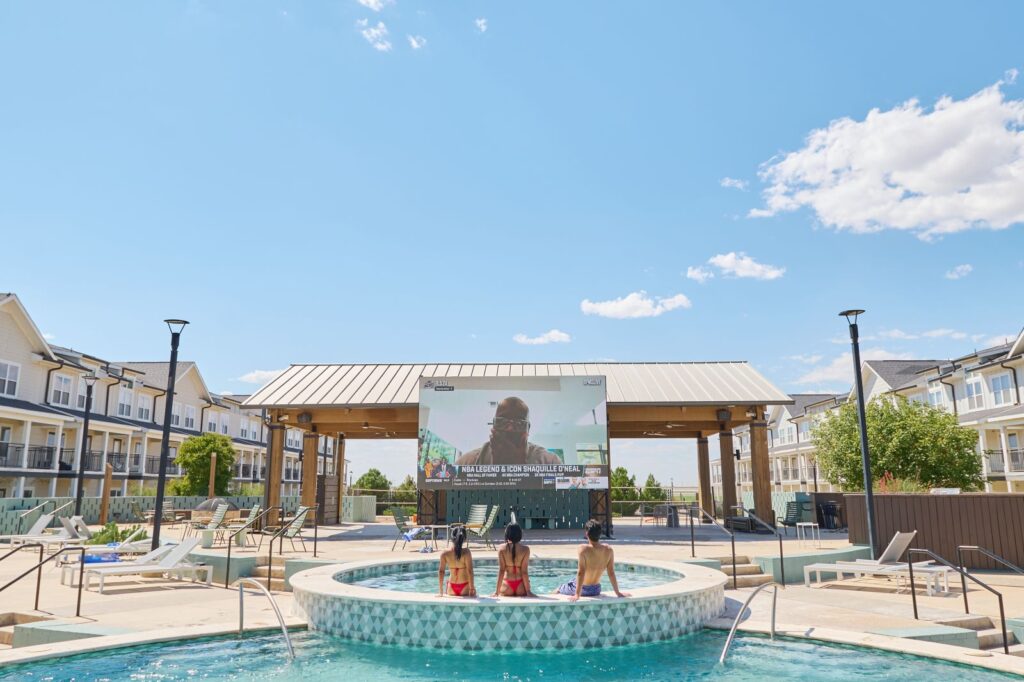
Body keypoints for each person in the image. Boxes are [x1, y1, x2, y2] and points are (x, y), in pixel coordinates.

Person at [454, 397, 562, 466]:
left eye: (519, 423)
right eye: (502, 421)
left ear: (528, 429)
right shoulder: (466, 463)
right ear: (494, 425)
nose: (510, 428)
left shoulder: (550, 462)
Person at [555, 520, 629, 601]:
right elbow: (611, 572)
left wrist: (577, 594)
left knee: (559, 588)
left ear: (586, 534)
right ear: (600, 534)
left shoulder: (583, 549)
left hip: (583, 590)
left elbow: (581, 572)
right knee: (572, 580)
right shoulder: (608, 549)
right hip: (596, 589)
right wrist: (618, 592)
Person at [494, 523, 534, 597]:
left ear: (507, 534)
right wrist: (528, 591)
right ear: (520, 534)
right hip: (521, 586)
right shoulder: (525, 549)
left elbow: (501, 571)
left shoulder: (501, 549)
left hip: (507, 586)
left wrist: (496, 592)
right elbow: (524, 572)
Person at [437, 526, 476, 597]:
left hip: (451, 587)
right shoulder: (466, 552)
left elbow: (441, 572)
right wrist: (472, 588)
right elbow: (470, 571)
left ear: (451, 538)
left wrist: (441, 591)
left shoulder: (445, 553)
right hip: (465, 586)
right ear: (464, 539)